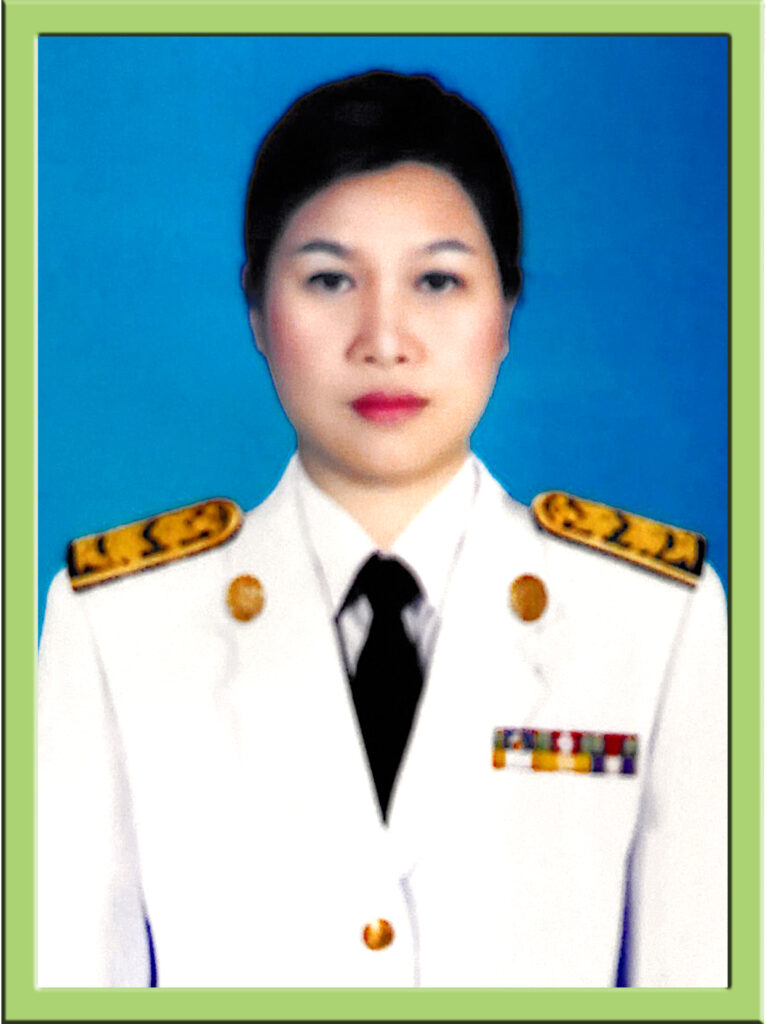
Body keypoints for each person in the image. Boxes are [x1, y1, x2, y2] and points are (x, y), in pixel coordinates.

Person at [37, 70, 727, 988]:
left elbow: (696, 979)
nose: (385, 339)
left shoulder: (651, 618)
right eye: (329, 279)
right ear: (256, 307)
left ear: (506, 308)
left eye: (438, 280)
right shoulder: (118, 623)